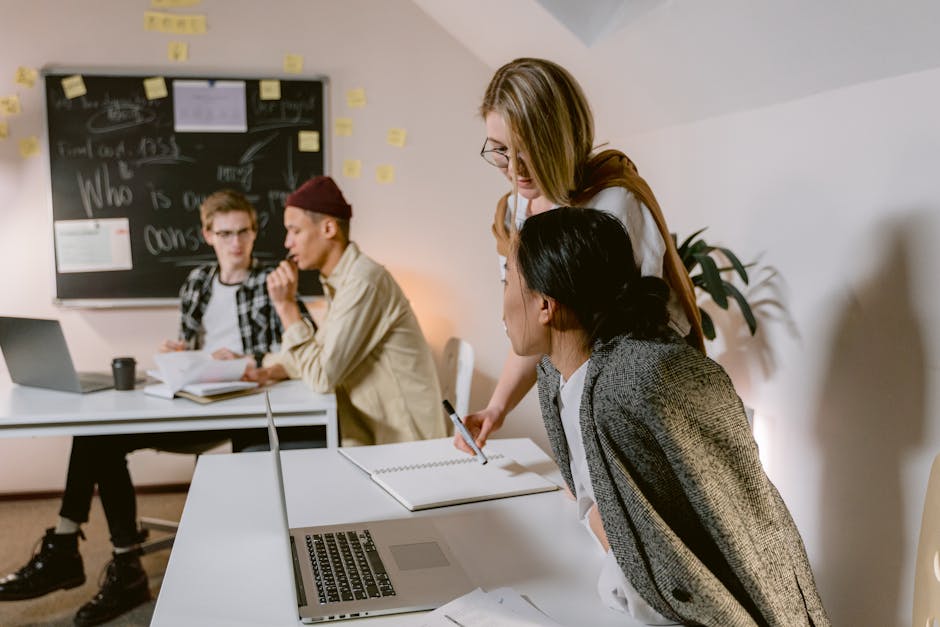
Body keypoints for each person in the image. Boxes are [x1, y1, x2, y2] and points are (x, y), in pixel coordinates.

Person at [499, 206, 829, 625]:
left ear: (546, 305)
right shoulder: (554, 377)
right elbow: (601, 503)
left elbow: (747, 530)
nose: (503, 299)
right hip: (626, 600)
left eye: (507, 279)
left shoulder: (646, 380)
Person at [0, 190, 310, 626]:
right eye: (225, 234)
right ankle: (107, 557)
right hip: (196, 401)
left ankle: (74, 553)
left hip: (245, 407)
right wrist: (178, 352)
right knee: (96, 436)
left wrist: (248, 362)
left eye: (243, 232)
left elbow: (301, 350)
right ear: (208, 235)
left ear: (255, 232)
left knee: (99, 438)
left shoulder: (274, 282)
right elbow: (190, 347)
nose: (235, 243)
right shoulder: (198, 283)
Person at [458, 57, 704, 454]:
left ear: (562, 137)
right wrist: (496, 409)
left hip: (629, 407)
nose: (514, 169)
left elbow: (625, 350)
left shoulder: (613, 207)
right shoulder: (517, 208)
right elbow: (537, 325)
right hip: (573, 397)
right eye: (501, 151)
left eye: (528, 150)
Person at [248, 176, 447, 445]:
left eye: (295, 231)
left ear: (329, 228)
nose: (287, 243)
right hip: (369, 436)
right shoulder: (341, 282)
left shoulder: (363, 281)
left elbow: (322, 377)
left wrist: (286, 306)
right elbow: (320, 353)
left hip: (403, 444)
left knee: (271, 447)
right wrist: (262, 367)